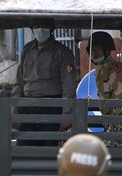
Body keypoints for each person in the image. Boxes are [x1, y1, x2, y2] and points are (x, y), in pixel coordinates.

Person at [11, 18, 76, 146]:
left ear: (51, 30)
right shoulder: (27, 50)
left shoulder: (62, 52)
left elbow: (68, 85)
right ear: (32, 29)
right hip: (28, 107)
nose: (40, 30)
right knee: (24, 147)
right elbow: (18, 82)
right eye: (36, 27)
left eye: (44, 27)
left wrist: (66, 115)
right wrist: (15, 111)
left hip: (52, 108)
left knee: (49, 149)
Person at [86, 31, 122, 147]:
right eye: (92, 49)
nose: (94, 53)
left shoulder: (104, 69)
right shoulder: (114, 65)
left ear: (107, 51)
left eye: (98, 49)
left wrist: (108, 128)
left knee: (105, 151)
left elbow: (104, 103)